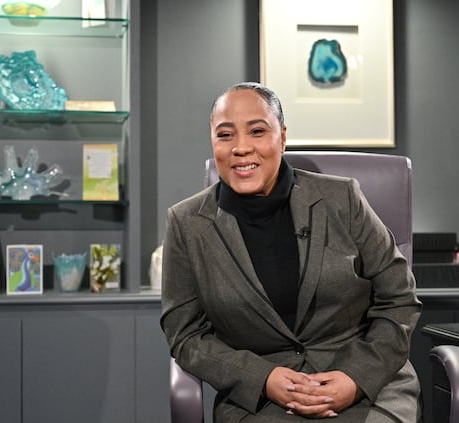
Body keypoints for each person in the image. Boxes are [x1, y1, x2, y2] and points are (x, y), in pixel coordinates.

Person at [160, 81, 423, 422]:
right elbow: (186, 335)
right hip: (263, 399)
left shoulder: (342, 199)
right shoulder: (186, 223)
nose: (241, 148)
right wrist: (262, 378)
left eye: (257, 131)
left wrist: (355, 377)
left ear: (282, 137)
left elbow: (399, 299)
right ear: (213, 142)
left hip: (366, 387)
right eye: (225, 135)